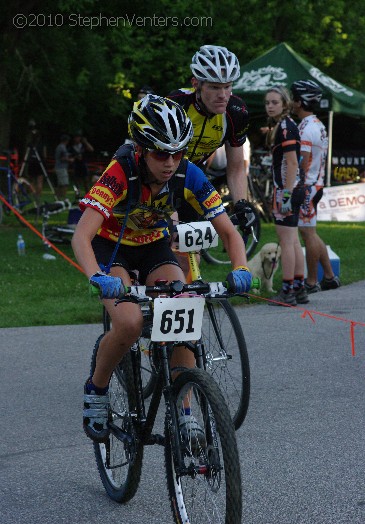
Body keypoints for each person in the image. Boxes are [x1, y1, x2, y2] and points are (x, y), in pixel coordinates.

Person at [71, 95, 252, 443]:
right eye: (160, 154)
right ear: (140, 149)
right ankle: (96, 388)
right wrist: (97, 277)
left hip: (154, 245)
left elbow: (228, 231)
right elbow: (82, 235)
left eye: (178, 152)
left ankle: (184, 413)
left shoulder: (189, 174)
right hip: (112, 247)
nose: (170, 162)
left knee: (183, 314)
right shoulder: (120, 172)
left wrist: (240, 267)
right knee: (129, 321)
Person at [168, 45, 256, 231]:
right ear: (196, 84)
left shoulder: (236, 112)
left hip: (192, 178)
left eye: (227, 87)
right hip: (160, 177)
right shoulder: (177, 105)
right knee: (163, 244)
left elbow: (236, 168)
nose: (223, 95)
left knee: (190, 251)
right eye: (215, 87)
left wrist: (241, 203)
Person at [291, 80, 341, 293]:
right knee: (310, 232)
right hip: (315, 184)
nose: (291, 102)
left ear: (300, 102)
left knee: (307, 234)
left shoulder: (305, 128)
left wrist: (296, 185)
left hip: (307, 187)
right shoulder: (317, 124)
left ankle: (312, 281)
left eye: (293, 98)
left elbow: (303, 161)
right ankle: (329, 276)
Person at [264, 86, 307, 306]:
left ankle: (288, 290)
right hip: (294, 188)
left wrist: (286, 195)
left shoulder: (285, 127)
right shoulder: (285, 125)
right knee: (294, 240)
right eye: (267, 102)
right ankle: (299, 288)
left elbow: (291, 162)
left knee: (287, 242)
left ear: (285, 104)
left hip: (287, 190)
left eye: (274, 102)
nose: (270, 106)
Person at [24, 119, 47, 205]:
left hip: (32, 162)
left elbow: (27, 152)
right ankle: (37, 196)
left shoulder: (30, 144)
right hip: (39, 163)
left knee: (31, 180)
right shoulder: (42, 144)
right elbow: (44, 155)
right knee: (39, 181)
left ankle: (32, 194)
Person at [54, 134, 73, 199]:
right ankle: (63, 197)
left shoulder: (59, 146)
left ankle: (58, 197)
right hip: (61, 168)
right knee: (65, 183)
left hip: (59, 167)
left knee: (60, 184)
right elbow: (62, 158)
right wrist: (70, 160)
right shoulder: (62, 147)